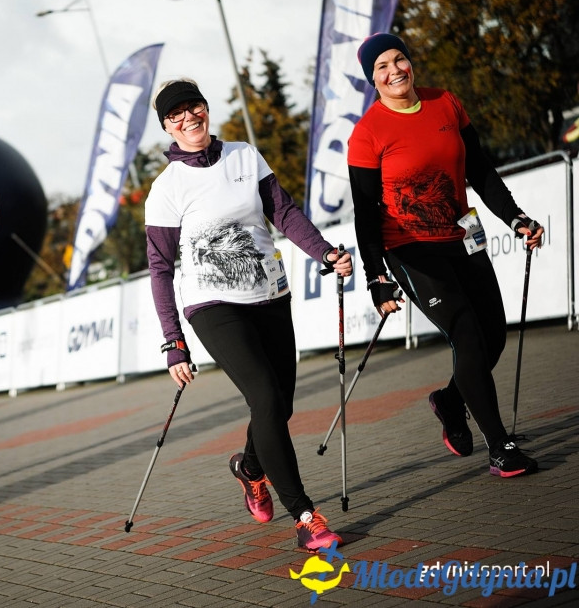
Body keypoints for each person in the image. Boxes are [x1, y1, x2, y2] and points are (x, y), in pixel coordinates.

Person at [145, 79, 354, 553]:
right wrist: (173, 340)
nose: (189, 118)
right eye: (176, 115)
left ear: (205, 107)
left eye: (194, 107)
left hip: (269, 293)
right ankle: (304, 515)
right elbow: (160, 269)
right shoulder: (166, 189)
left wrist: (323, 253)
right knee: (263, 394)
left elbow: (284, 213)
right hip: (213, 307)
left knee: (279, 405)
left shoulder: (244, 155)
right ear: (166, 126)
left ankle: (250, 469)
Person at [347, 33, 543, 478]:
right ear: (371, 80)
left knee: (493, 337)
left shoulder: (446, 103)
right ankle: (501, 447)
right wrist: (375, 275)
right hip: (410, 248)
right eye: (382, 67)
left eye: (400, 59)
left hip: (462, 236)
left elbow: (480, 170)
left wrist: (516, 218)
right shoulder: (367, 134)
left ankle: (451, 401)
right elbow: (365, 214)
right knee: (468, 337)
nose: (395, 70)